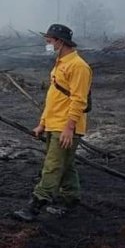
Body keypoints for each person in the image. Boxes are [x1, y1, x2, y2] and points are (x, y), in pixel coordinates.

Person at [13, 24, 92, 221]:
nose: (47, 44)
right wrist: (42, 124)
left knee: (53, 166)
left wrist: (69, 128)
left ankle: (35, 205)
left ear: (60, 41)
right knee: (65, 164)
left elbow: (79, 100)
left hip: (65, 127)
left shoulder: (79, 66)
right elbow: (54, 97)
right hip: (54, 124)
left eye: (49, 41)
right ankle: (70, 198)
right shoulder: (61, 62)